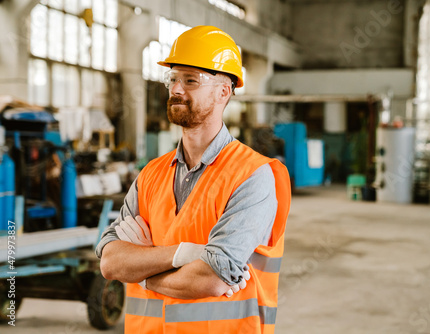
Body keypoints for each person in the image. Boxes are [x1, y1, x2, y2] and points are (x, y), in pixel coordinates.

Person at [96, 25, 291, 334]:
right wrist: (185, 254)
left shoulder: (253, 175)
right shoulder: (151, 174)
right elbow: (109, 262)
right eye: (173, 79)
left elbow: (212, 279)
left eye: (191, 80)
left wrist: (142, 271)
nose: (176, 89)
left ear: (223, 91)